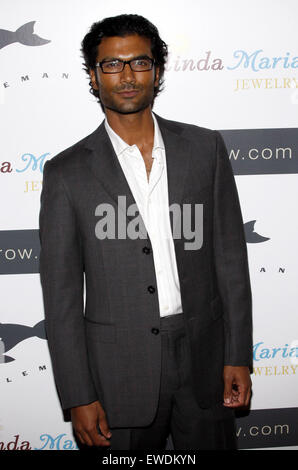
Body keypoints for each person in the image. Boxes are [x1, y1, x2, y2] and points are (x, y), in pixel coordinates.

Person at [39, 14, 253, 451]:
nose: (127, 76)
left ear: (157, 70)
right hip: (117, 371)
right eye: (112, 65)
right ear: (94, 78)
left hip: (204, 359)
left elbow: (231, 262)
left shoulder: (205, 149)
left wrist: (237, 354)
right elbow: (60, 298)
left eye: (139, 62)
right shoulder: (66, 173)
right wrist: (79, 394)